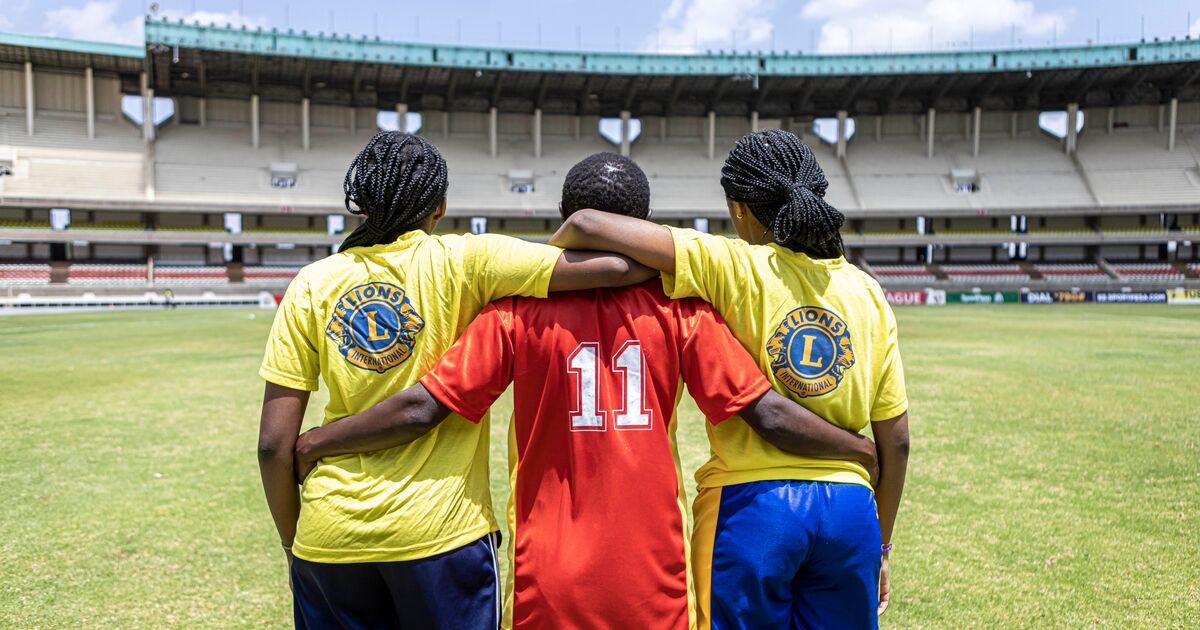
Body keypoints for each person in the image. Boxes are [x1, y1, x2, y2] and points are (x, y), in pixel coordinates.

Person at [291, 152, 879, 629]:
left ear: (566, 215)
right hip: (655, 569)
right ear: (642, 221)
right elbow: (758, 407)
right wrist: (858, 449)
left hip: (545, 572)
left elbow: (430, 403)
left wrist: (317, 441)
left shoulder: (514, 312)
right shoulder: (682, 311)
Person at [256, 132, 654, 629]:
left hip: (330, 538)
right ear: (440, 205)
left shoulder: (312, 283)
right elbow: (619, 265)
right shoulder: (468, 260)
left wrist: (294, 543)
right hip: (442, 535)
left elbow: (274, 446)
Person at [549, 130, 910, 630]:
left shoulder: (733, 264)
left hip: (752, 505)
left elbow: (586, 223)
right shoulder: (868, 292)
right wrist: (883, 544)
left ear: (739, 210)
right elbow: (899, 441)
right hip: (851, 511)